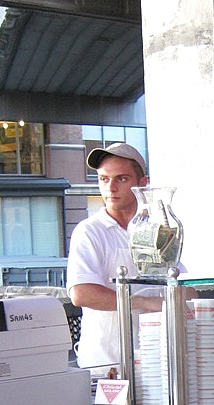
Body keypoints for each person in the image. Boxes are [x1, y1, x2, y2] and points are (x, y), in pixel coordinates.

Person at [67, 142, 163, 374]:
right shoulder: (89, 230)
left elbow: (185, 287)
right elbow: (81, 293)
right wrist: (142, 302)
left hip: (155, 364)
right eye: (103, 179)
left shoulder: (157, 229)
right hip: (104, 367)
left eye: (121, 179)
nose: (110, 187)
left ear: (143, 183)